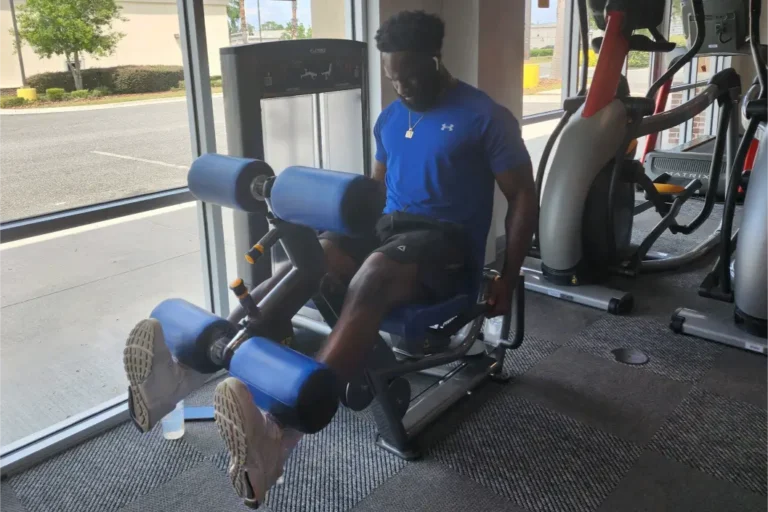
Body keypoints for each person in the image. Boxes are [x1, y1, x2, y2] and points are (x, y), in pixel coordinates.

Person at [122, 9, 537, 508]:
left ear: (435, 58)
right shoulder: (391, 118)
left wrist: (507, 277)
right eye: (393, 77)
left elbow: (522, 198)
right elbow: (376, 194)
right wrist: (337, 231)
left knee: (374, 276)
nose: (403, 86)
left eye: (412, 74)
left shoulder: (485, 116)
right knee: (307, 258)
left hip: (447, 248)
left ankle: (281, 432)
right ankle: (188, 369)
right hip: (393, 230)